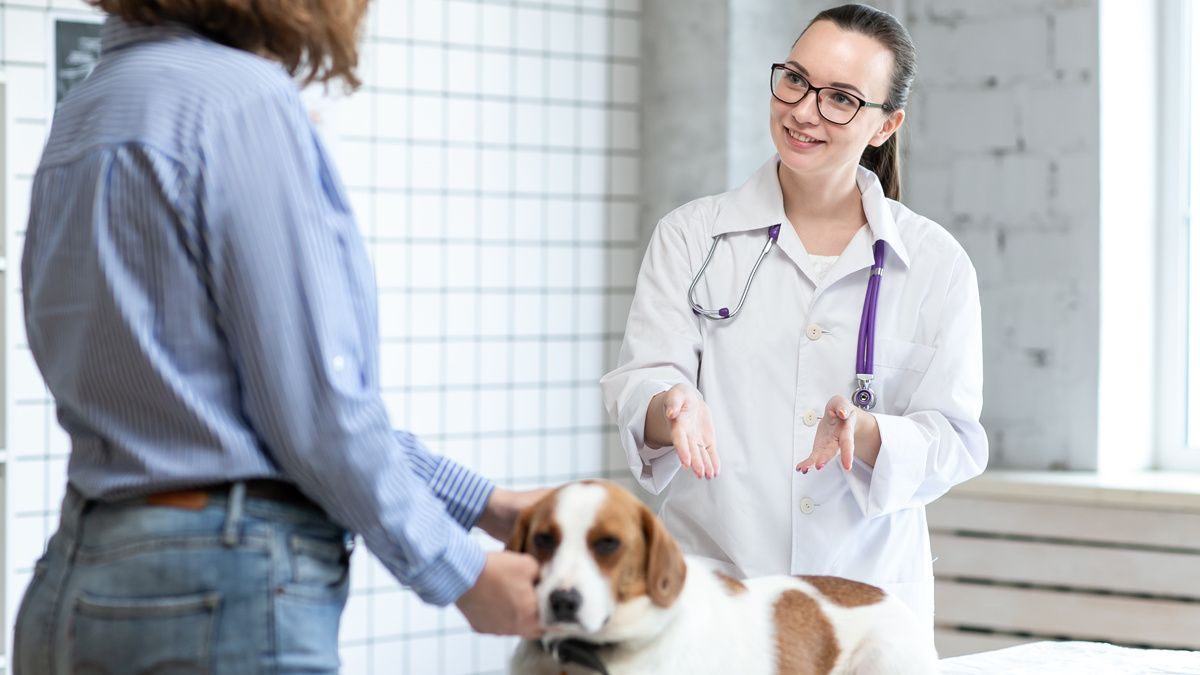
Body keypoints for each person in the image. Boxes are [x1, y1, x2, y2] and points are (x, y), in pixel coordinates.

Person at [13, 1, 545, 672]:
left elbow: (240, 405)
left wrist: (483, 504)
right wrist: (462, 570)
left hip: (75, 579)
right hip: (218, 590)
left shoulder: (86, 107)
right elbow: (316, 415)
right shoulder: (242, 100)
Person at [600, 3, 987, 624]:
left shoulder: (936, 264)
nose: (804, 111)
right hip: (717, 593)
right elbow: (642, 381)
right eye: (796, 80)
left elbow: (957, 441)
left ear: (886, 126)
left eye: (841, 99)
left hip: (865, 605)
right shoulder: (692, 237)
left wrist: (867, 435)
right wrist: (670, 404)